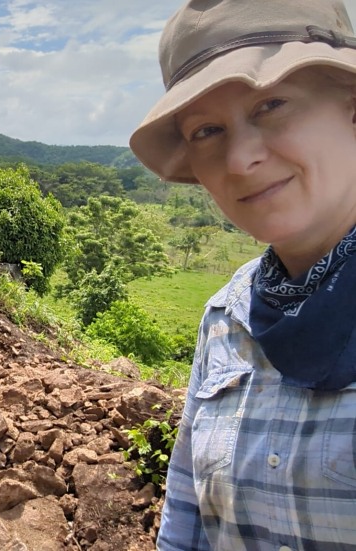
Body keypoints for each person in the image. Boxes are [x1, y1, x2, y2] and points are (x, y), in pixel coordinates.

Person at [129, 0, 356, 549]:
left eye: (271, 104)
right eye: (207, 131)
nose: (239, 159)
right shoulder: (225, 317)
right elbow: (185, 514)